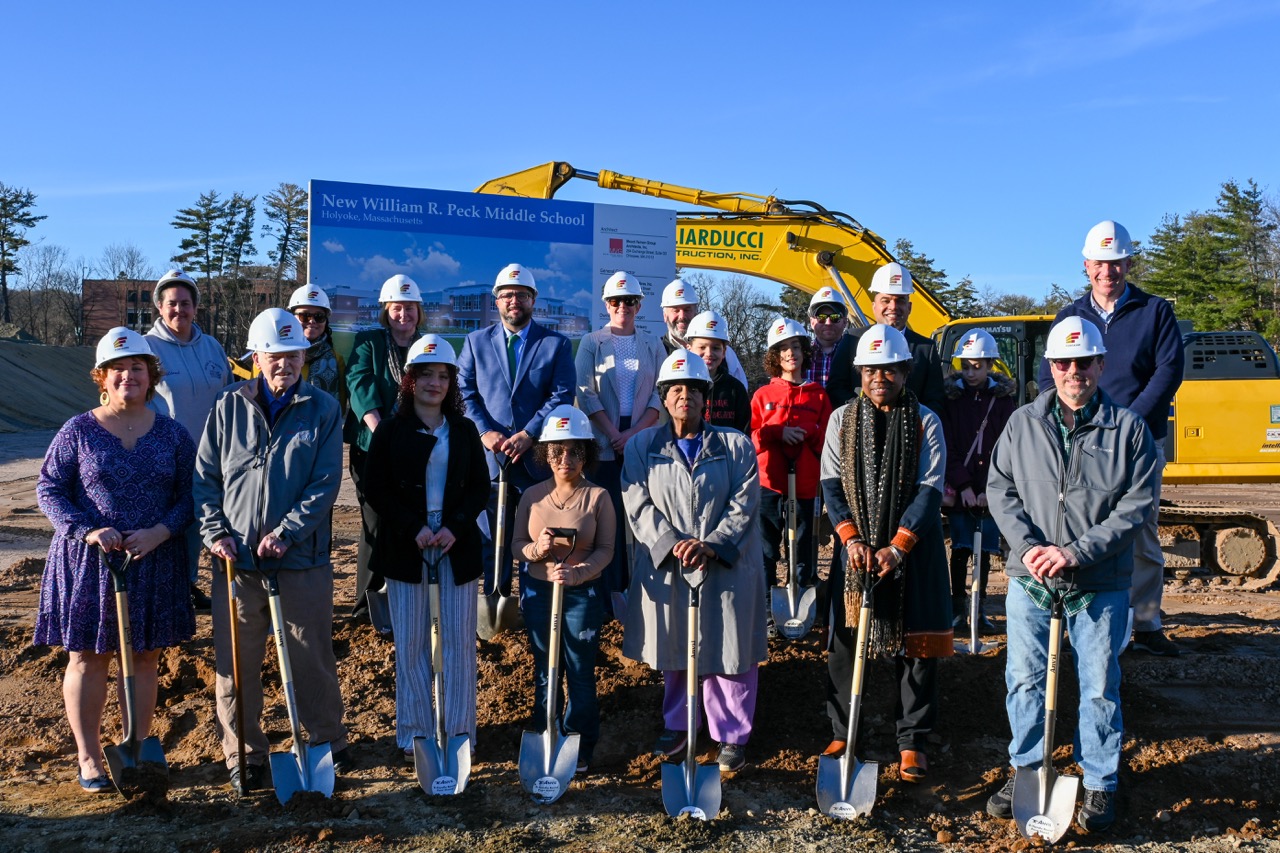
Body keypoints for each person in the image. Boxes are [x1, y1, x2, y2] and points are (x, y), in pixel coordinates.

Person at [987, 316, 1159, 833]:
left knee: (1100, 685)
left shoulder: (1128, 429)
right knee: (1024, 679)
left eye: (1084, 362)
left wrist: (1078, 552)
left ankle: (1101, 782)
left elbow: (1138, 503)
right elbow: (1001, 488)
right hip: (1031, 575)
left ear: (1100, 365)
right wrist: (1032, 547)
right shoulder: (1022, 423)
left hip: (1099, 580)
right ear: (1051, 367)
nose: (1073, 371)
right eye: (1063, 362)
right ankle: (1026, 768)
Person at [35, 328, 197, 792]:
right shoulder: (78, 430)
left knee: (144, 658)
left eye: (138, 368)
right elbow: (48, 488)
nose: (129, 376)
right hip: (90, 564)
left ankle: (137, 748)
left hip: (152, 561)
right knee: (88, 657)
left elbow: (191, 495)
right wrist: (87, 529)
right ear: (102, 377)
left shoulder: (173, 435)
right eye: (118, 369)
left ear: (151, 377)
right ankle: (88, 757)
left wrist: (162, 531)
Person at [196, 308, 347, 794]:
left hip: (300, 561)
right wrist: (215, 532)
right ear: (256, 358)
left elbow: (325, 483)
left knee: (310, 656)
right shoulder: (227, 407)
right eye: (274, 355)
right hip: (235, 563)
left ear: (305, 356)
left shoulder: (323, 408)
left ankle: (325, 742)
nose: (284, 363)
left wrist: (287, 531)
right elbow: (205, 480)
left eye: (293, 355)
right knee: (237, 663)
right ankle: (243, 752)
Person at [1037, 220, 1185, 657]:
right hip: (1082, 439)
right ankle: (1077, 617)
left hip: (1139, 440)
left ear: (1128, 264)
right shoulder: (1069, 317)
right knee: (1079, 526)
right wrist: (1074, 419)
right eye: (1100, 263)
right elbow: (1051, 376)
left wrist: (1129, 424)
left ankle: (1146, 621)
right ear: (1087, 266)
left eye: (1116, 263)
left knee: (1140, 528)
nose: (1108, 271)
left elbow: (1168, 371)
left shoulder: (1154, 311)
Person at [819, 323, 951, 783]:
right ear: (859, 372)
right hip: (854, 551)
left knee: (917, 645)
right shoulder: (841, 419)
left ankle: (912, 739)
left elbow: (930, 488)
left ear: (905, 371)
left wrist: (898, 546)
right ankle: (843, 728)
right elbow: (831, 484)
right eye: (871, 369)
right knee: (844, 639)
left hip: (913, 549)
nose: (880, 377)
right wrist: (852, 538)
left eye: (890, 369)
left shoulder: (925, 420)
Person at [622, 349, 764, 772]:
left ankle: (731, 733)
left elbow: (744, 502)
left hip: (725, 563)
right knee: (676, 642)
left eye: (694, 390)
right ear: (663, 398)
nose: (686, 397)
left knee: (729, 647)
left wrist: (713, 543)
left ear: (707, 397)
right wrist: (670, 542)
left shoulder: (735, 445)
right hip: (670, 564)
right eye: (676, 389)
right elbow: (636, 500)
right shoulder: (642, 447)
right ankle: (680, 723)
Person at [362, 335, 489, 760]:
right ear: (410, 380)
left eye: (443, 376)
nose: (435, 383)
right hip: (405, 545)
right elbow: (375, 487)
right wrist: (412, 526)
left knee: (457, 643)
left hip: (456, 544)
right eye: (426, 375)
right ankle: (414, 734)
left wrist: (454, 526)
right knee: (412, 644)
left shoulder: (465, 430)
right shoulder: (392, 431)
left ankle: (458, 732)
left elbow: (478, 489)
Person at [458, 263, 576, 604]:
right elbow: (464, 391)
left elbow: (562, 394)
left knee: (536, 536)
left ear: (533, 300)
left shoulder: (556, 345)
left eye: (522, 295)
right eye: (507, 295)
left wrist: (529, 433)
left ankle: (532, 604)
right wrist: (484, 432)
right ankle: (496, 599)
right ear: (496, 301)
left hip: (535, 461)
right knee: (490, 537)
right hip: (491, 461)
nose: (514, 301)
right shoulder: (475, 342)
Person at [512, 405, 616, 773]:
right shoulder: (533, 497)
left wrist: (579, 572)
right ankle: (545, 732)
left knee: (579, 669)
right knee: (545, 668)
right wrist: (537, 551)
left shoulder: (599, 497)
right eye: (557, 451)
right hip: (539, 594)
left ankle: (580, 742)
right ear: (546, 454)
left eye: (574, 451)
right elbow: (517, 545)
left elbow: (606, 550)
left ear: (585, 453)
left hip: (581, 596)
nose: (565, 459)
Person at [575, 271, 664, 606]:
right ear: (606, 305)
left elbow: (660, 393)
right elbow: (585, 392)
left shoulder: (653, 344)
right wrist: (614, 435)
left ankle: (641, 588)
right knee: (606, 521)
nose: (622, 306)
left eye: (629, 301)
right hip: (604, 445)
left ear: (639, 305)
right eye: (615, 301)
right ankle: (608, 592)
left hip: (641, 443)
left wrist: (634, 434)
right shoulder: (591, 343)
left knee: (641, 518)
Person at [145, 268, 231, 611]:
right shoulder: (147, 348)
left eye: (185, 303)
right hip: (167, 454)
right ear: (159, 308)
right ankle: (170, 585)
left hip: (214, 454)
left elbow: (227, 395)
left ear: (195, 307)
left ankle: (190, 584)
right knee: (171, 523)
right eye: (171, 304)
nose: (178, 310)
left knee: (202, 521)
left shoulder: (212, 346)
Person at [344, 274, 425, 618]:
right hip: (373, 448)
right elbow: (359, 384)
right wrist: (380, 432)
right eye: (396, 308)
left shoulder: (426, 345)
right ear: (385, 311)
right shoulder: (369, 342)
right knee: (375, 522)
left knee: (409, 521)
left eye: (409, 308)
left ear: (418, 311)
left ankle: (404, 595)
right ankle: (367, 599)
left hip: (416, 451)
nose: (403, 314)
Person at [751, 318, 832, 633]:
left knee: (803, 548)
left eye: (796, 347)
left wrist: (808, 432)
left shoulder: (818, 395)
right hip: (769, 483)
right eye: (783, 348)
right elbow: (753, 438)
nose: (790, 354)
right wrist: (777, 433)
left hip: (806, 484)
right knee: (767, 549)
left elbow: (827, 438)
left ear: (804, 351)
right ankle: (769, 611)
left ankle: (802, 601)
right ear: (775, 354)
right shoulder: (762, 395)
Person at [940, 329, 1017, 632]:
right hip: (961, 490)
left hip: (989, 491)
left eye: (978, 366)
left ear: (989, 365)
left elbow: (1005, 447)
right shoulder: (951, 399)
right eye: (967, 365)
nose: (972, 372)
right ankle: (958, 609)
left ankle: (979, 608)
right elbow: (948, 444)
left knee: (984, 551)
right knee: (959, 550)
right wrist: (964, 486)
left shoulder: (1002, 402)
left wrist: (987, 489)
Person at [827, 263, 945, 413]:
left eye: (900, 300)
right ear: (874, 306)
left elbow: (935, 399)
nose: (893, 306)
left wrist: (909, 420)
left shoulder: (926, 348)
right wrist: (863, 413)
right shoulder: (852, 340)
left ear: (909, 307)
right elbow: (836, 388)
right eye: (886, 300)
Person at [659, 278, 749, 388]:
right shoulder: (656, 351)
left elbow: (740, 390)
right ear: (665, 316)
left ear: (696, 313)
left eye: (687, 310)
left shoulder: (726, 354)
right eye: (675, 310)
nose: (682, 316)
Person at [686, 310, 750, 432]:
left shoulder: (736, 389)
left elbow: (744, 433)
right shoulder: (682, 387)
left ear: (724, 352)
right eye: (702, 347)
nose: (709, 354)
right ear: (689, 349)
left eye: (715, 348)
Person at [806, 286, 855, 390]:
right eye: (821, 318)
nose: (828, 323)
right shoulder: (800, 355)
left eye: (835, 318)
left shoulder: (856, 355)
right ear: (812, 322)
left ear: (845, 322)